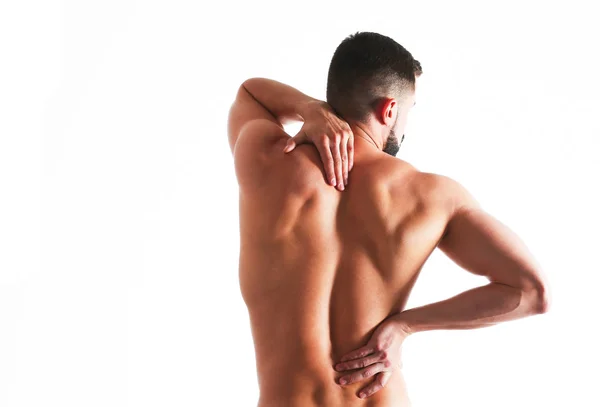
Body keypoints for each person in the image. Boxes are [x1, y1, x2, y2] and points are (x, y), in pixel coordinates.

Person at [227, 31, 551, 407]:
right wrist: (404, 327)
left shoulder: (267, 156)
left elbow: (250, 93)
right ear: (390, 109)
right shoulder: (433, 197)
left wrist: (311, 109)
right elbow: (531, 292)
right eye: (409, 110)